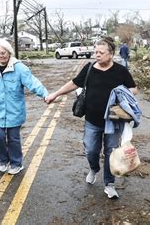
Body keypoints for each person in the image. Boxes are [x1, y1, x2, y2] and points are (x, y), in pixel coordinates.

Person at [45, 37, 138, 199]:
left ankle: (109, 184)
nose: (97, 55)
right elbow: (74, 83)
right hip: (92, 120)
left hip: (114, 119)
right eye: (95, 52)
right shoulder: (89, 68)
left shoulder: (120, 71)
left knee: (111, 151)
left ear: (111, 54)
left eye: (101, 53)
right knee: (91, 150)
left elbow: (134, 89)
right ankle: (94, 168)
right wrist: (55, 94)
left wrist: (122, 94)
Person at [0, 38, 48, 175]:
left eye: (3, 53)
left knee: (13, 138)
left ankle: (16, 163)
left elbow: (32, 82)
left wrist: (44, 94)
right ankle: (3, 160)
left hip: (14, 110)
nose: (1, 56)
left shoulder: (19, 68)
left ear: (9, 53)